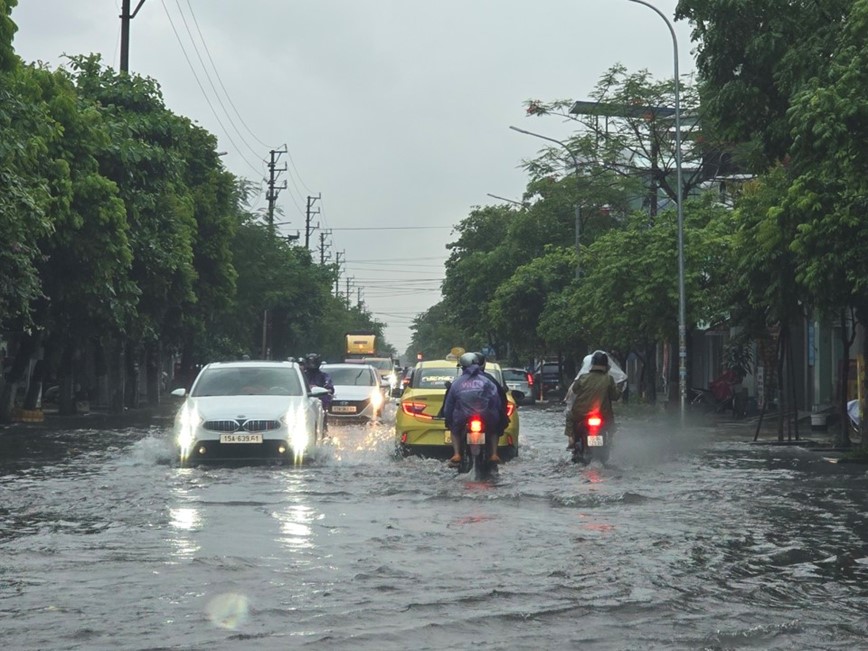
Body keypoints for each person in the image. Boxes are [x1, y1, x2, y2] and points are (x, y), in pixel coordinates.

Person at [443, 351, 507, 465]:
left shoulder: (457, 383)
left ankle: (456, 454)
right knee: (494, 429)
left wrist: (448, 420)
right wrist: (498, 416)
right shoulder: (487, 381)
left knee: (455, 430)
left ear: (462, 366)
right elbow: (496, 401)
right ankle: (494, 454)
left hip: (462, 417)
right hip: (487, 415)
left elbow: (449, 406)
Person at [564, 351, 623, 449]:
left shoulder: (583, 378)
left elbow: (574, 390)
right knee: (611, 424)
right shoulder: (609, 379)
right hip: (603, 415)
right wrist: (619, 389)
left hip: (581, 414)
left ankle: (571, 439)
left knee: (569, 415)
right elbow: (615, 396)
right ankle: (611, 439)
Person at [303, 353, 335, 430]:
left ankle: (324, 432)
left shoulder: (324, 376)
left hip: (320, 403)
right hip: (304, 403)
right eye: (310, 362)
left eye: (314, 362)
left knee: (323, 419)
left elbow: (330, 388)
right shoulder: (302, 376)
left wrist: (323, 389)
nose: (312, 364)